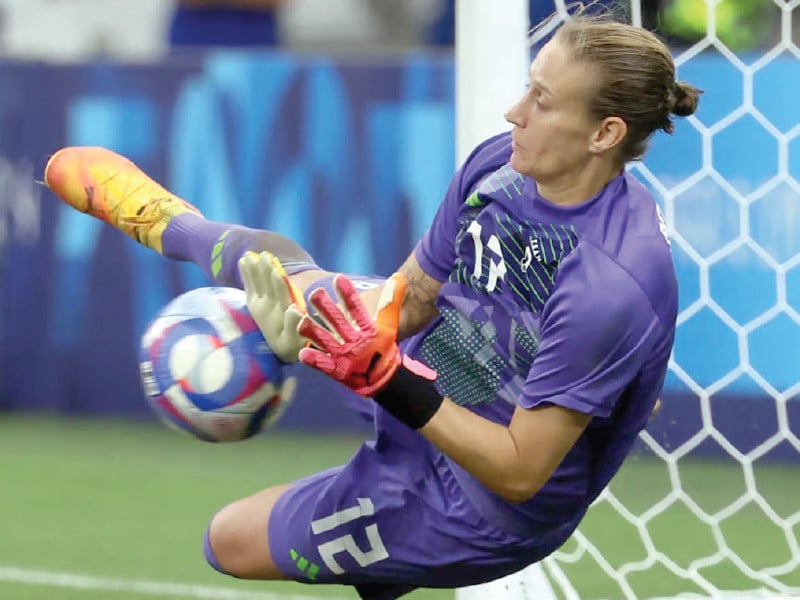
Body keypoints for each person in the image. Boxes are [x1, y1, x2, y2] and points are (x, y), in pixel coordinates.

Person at [43, 11, 701, 599]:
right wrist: (304, 332)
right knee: (298, 278)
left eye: (543, 100)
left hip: (481, 509)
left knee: (228, 542)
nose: (513, 111)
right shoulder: (500, 165)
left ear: (604, 132)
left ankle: (395, 557)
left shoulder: (610, 282)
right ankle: (173, 226)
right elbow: (409, 297)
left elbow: (520, 472)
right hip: (428, 384)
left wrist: (385, 377)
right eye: (529, 85)